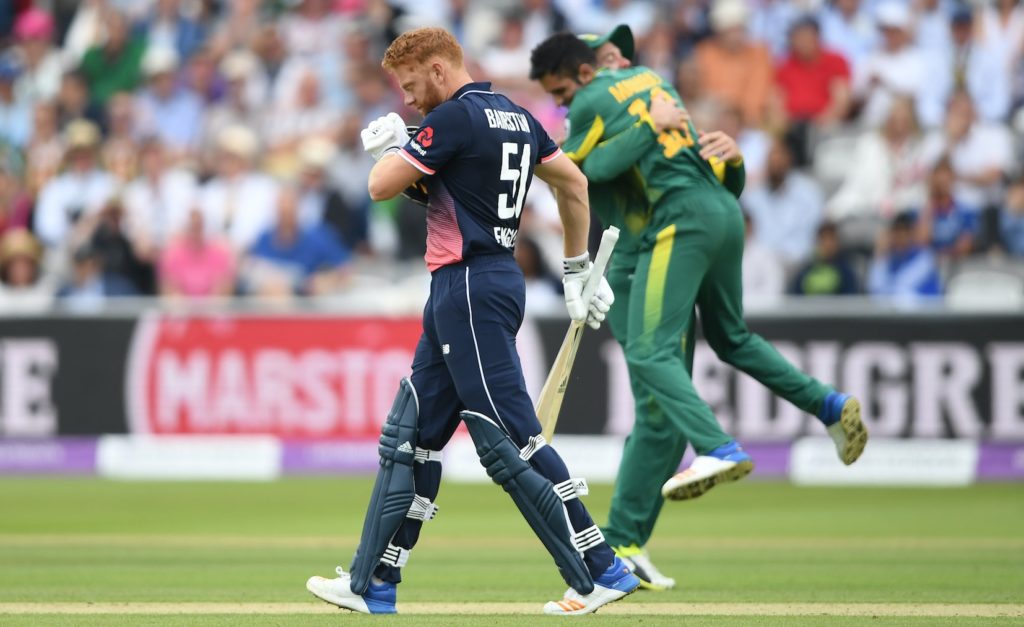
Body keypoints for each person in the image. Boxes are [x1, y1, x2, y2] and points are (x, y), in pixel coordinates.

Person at [305, 27, 639, 616]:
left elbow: (381, 185)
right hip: (473, 283)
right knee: (410, 438)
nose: (408, 100)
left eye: (411, 86)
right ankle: (373, 584)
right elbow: (574, 183)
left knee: (509, 436)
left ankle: (600, 568)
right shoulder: (513, 115)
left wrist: (394, 148)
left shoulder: (454, 119)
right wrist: (576, 266)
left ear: (438, 69)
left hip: (468, 284)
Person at [530, 30, 868, 589]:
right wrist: (717, 159)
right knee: (693, 376)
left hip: (652, 250)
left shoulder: (621, 97)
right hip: (672, 239)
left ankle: (711, 454)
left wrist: (722, 159)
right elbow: (590, 172)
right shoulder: (651, 94)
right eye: (611, 51)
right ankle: (627, 541)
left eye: (618, 53)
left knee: (650, 364)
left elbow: (587, 172)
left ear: (587, 71)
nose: (620, 58)